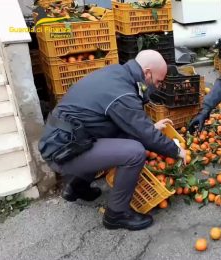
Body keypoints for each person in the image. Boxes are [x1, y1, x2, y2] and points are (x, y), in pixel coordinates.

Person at [38, 50, 186, 230]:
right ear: (147, 73)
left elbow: (126, 121)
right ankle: (116, 215)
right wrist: (176, 150)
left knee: (122, 140)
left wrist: (150, 128)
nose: (158, 86)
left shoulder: (118, 74)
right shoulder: (122, 92)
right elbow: (143, 133)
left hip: (68, 141)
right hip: (63, 150)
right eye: (158, 81)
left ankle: (77, 186)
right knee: (134, 152)